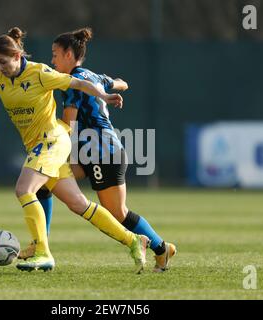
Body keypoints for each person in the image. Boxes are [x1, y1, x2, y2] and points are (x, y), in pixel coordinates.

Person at [0, 27, 149, 274]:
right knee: (78, 204)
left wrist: (103, 93)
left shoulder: (40, 73)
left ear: (17, 57)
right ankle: (133, 240)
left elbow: (78, 82)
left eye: (3, 62)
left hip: (53, 140)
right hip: (40, 146)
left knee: (24, 189)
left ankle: (43, 252)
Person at [21, 28, 176, 273]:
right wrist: (114, 90)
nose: (52, 61)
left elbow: (69, 124)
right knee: (44, 182)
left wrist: (58, 149)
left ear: (69, 54)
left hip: (101, 152)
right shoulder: (92, 76)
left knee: (118, 213)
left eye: (55, 55)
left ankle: (161, 248)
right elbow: (122, 82)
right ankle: (41, 245)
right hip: (95, 151)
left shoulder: (74, 84)